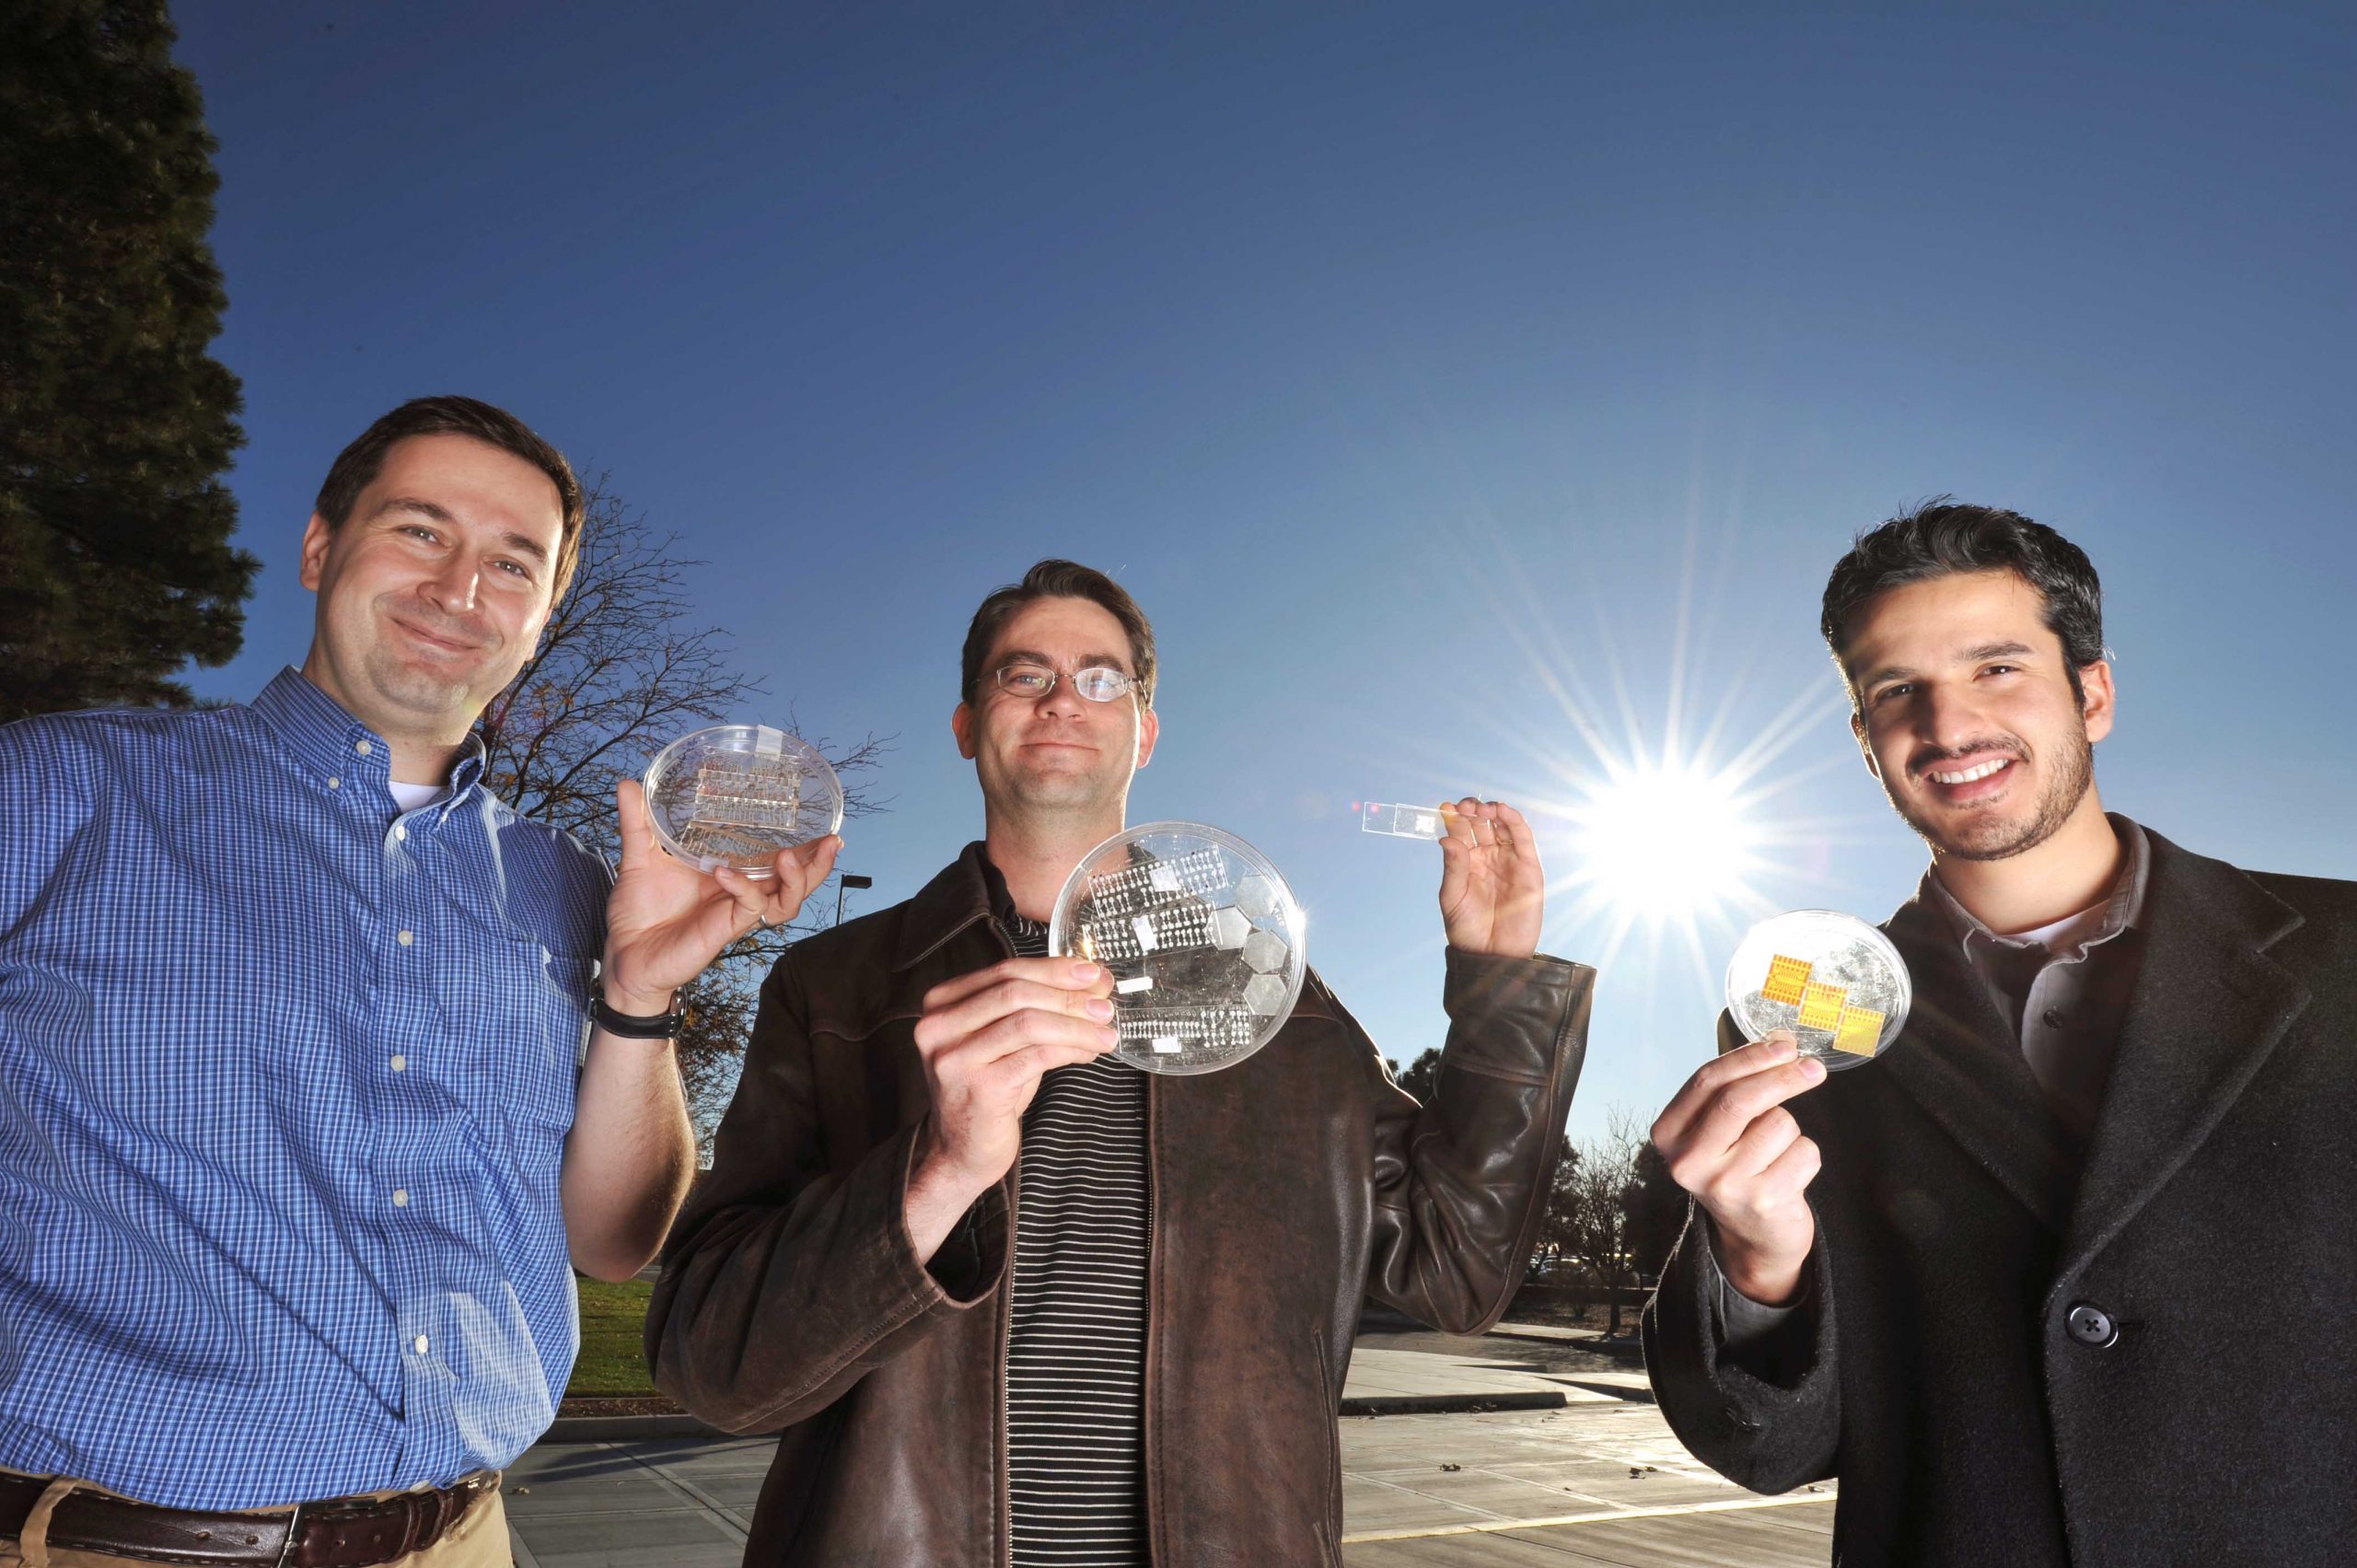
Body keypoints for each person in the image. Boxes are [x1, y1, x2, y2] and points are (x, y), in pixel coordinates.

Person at [0, 397, 835, 1567]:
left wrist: (637, 996)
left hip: (466, 1534)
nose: (461, 589)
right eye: (420, 530)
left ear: (541, 622)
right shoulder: (53, 792)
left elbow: (615, 1240)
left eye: (511, 562)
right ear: (317, 547)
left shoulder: (573, 884)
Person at [648, 559, 1594, 1565]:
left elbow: (1458, 1271)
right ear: (968, 726)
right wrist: (937, 1174)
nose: (1063, 698)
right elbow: (713, 1367)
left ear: (1143, 732)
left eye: (1103, 678)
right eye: (1024, 674)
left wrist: (1498, 984)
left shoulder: (1268, 995)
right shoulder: (833, 987)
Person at [1643, 502, 2357, 1564]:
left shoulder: (2337, 953)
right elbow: (1772, 1450)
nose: (1947, 723)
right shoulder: (1797, 1023)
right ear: (1863, 739)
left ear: (2094, 691)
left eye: (1996, 668)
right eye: (1897, 690)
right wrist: (1756, 1265)